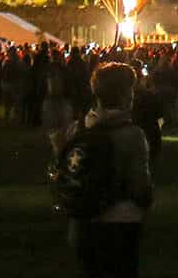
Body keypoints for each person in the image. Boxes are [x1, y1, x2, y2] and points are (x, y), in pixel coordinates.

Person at [60, 61, 154, 278]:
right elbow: (140, 184)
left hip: (83, 221)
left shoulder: (80, 128)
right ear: (124, 95)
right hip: (121, 221)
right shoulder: (132, 135)